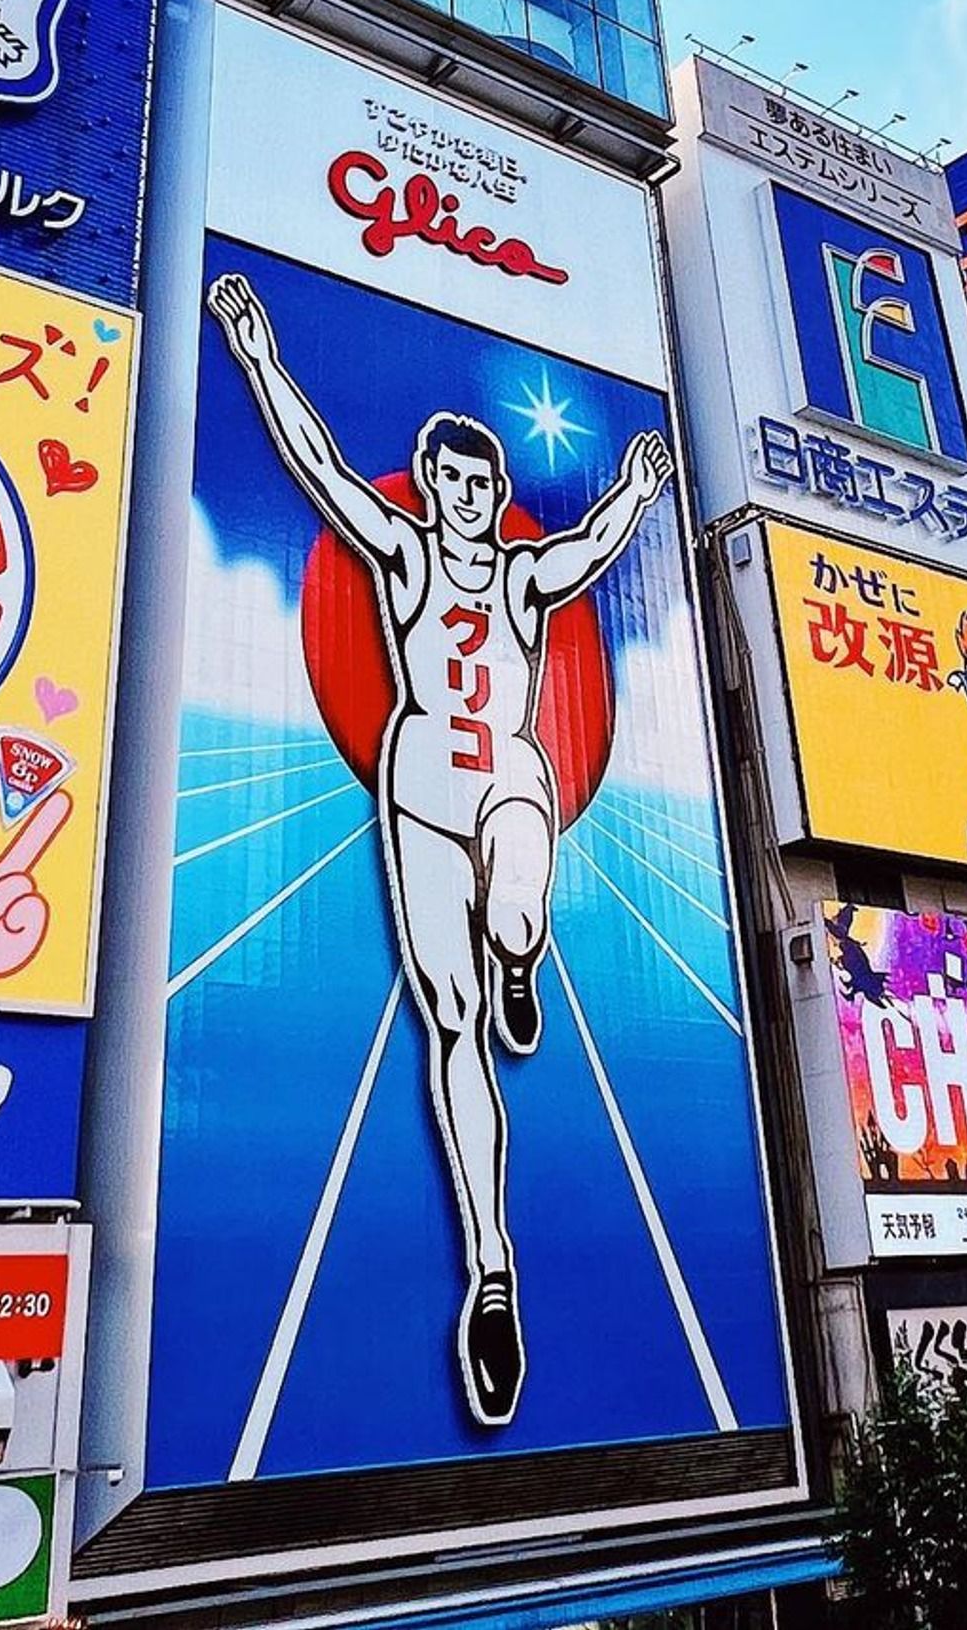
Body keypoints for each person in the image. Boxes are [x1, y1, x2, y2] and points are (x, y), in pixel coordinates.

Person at [209, 271, 672, 1425]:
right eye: (448, 479)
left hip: (507, 773)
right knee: (451, 1024)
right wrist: (262, 358)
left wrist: (633, 488)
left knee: (518, 884)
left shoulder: (520, 577)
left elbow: (593, 547)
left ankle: (523, 946)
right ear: (431, 486)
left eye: (480, 480)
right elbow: (319, 471)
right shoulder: (406, 560)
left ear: (497, 489)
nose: (463, 494)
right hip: (418, 788)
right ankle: (491, 1270)